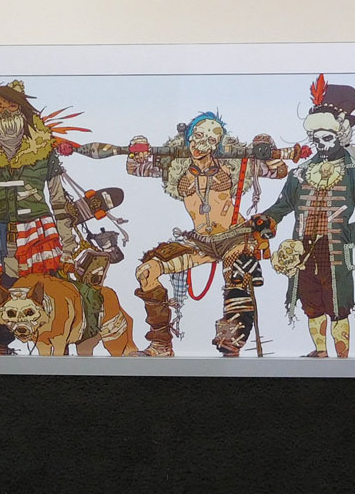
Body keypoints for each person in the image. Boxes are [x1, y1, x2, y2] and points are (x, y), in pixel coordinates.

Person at [69, 112, 308, 356]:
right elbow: (136, 169)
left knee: (238, 277)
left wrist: (266, 149)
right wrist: (136, 149)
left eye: (211, 140)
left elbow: (279, 171)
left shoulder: (236, 164)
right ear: (189, 136)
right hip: (200, 242)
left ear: (218, 144)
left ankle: (231, 344)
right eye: (198, 136)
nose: (201, 144)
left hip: (235, 238)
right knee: (147, 271)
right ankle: (162, 344)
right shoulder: (174, 164)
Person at [251, 78, 355, 358]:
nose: (322, 145)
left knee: (338, 306)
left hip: (335, 250)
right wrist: (265, 220)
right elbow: (282, 206)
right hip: (302, 250)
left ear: (340, 136)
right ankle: (320, 352)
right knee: (311, 304)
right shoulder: (299, 174)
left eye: (328, 139)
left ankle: (342, 359)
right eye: (317, 139)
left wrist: (354, 232)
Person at [0, 81, 82, 354]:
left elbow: (58, 198)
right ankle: (1, 346)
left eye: (11, 105)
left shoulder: (44, 149)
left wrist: (68, 244)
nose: (4, 111)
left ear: (22, 109)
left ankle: (52, 350)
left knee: (44, 293)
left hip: (37, 232)